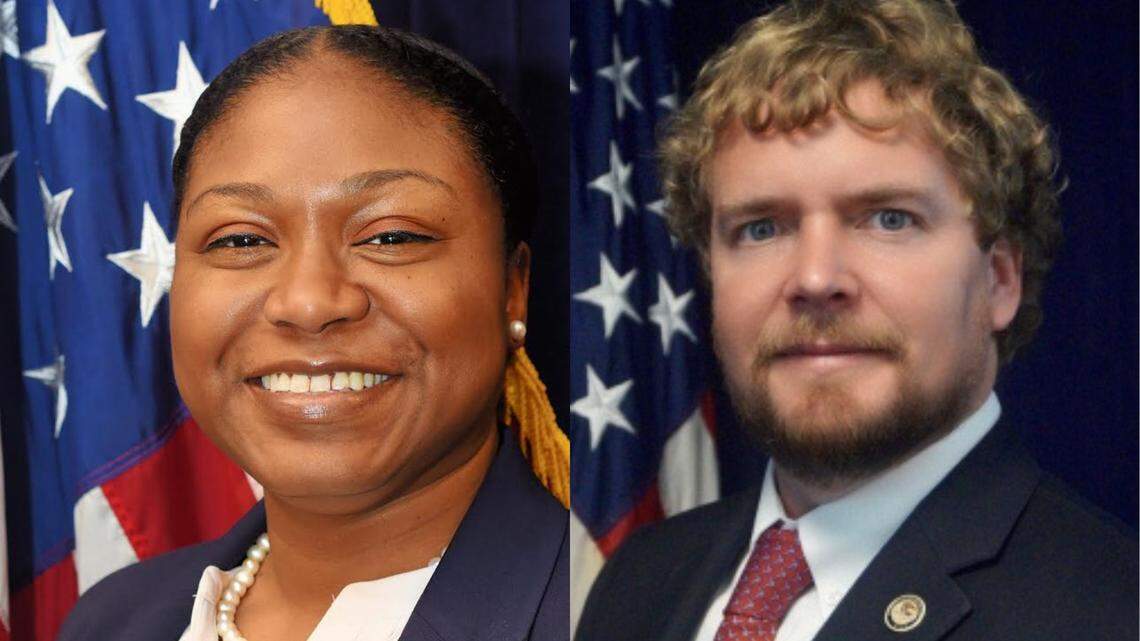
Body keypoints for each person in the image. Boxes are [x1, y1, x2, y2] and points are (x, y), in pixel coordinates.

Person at [575, 1, 1137, 640]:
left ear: (998, 281)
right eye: (762, 228)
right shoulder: (636, 582)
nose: (816, 280)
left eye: (889, 219)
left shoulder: (1110, 614)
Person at [58, 24, 569, 641]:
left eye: (391, 236)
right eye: (242, 240)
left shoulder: (615, 615)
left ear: (513, 287)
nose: (306, 302)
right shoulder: (112, 622)